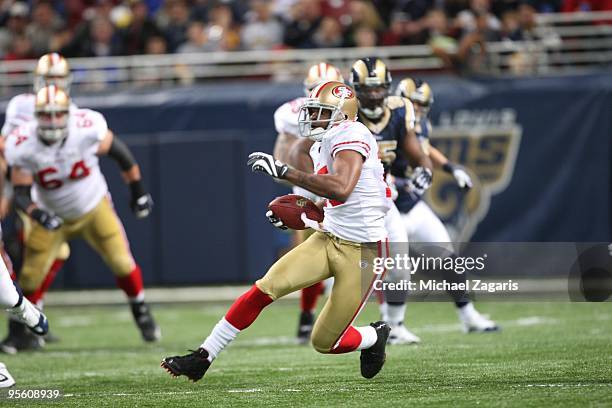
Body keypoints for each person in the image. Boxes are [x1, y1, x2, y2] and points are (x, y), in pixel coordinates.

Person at [162, 80, 392, 381]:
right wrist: (302, 215)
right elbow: (333, 200)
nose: (312, 118)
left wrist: (285, 171)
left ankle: (374, 337)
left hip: (365, 251)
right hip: (330, 235)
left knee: (324, 342)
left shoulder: (353, 134)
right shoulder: (322, 143)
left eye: (321, 113)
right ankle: (203, 356)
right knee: (265, 287)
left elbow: (343, 188)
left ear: (343, 115)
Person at [3, 85, 160, 350]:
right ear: (35, 117)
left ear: (68, 113)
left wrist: (138, 191)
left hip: (92, 207)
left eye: (57, 114)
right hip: (51, 214)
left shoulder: (86, 126)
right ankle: (28, 330)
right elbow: (20, 192)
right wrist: (38, 214)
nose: (52, 121)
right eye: (45, 115)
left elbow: (119, 152)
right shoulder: (23, 144)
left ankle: (140, 310)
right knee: (29, 277)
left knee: (122, 262)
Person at [390, 77, 499, 334]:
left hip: (413, 204)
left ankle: (468, 315)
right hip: (387, 205)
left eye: (421, 105)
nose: (416, 109)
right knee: (395, 268)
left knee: (449, 259)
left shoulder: (420, 124)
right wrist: (390, 179)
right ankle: (392, 325)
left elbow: (425, 149)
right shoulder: (387, 123)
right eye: (412, 103)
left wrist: (451, 167)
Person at [349, 57, 433, 344]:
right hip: (350, 200)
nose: (374, 95)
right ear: (356, 88)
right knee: (348, 269)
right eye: (367, 89)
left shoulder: (399, 110)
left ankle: (394, 326)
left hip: (383, 200)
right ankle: (333, 323)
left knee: (399, 266)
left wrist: (425, 169)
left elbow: (416, 151)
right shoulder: (344, 112)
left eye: (378, 88)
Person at [272, 62, 344, 343]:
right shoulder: (291, 114)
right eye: (315, 91)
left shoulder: (351, 117)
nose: (320, 96)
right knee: (307, 250)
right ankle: (307, 314)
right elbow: (283, 157)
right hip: (309, 183)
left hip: (342, 186)